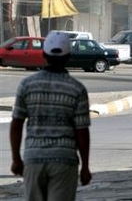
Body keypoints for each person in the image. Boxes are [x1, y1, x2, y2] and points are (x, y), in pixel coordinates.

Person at [9, 31, 92, 201]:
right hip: (64, 162)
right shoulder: (77, 89)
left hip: (34, 159)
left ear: (43, 54)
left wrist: (16, 159)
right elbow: (82, 131)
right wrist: (85, 167)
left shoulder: (27, 85)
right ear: (68, 56)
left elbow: (16, 124)